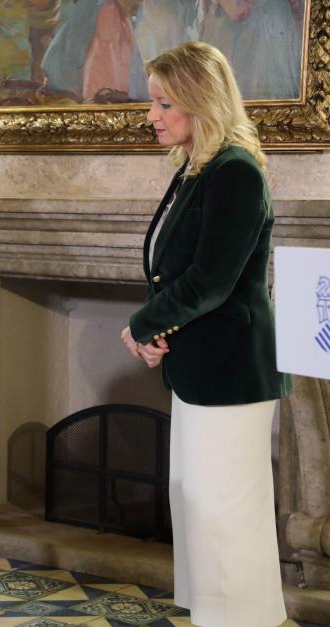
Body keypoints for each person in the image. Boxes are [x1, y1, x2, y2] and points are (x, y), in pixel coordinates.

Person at [121, 41, 291, 627]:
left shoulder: (235, 171)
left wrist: (143, 326)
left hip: (231, 367)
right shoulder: (199, 167)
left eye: (165, 103)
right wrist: (156, 332)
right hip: (199, 365)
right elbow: (172, 274)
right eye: (154, 102)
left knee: (224, 511)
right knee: (198, 503)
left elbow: (211, 282)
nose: (152, 115)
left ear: (201, 101)